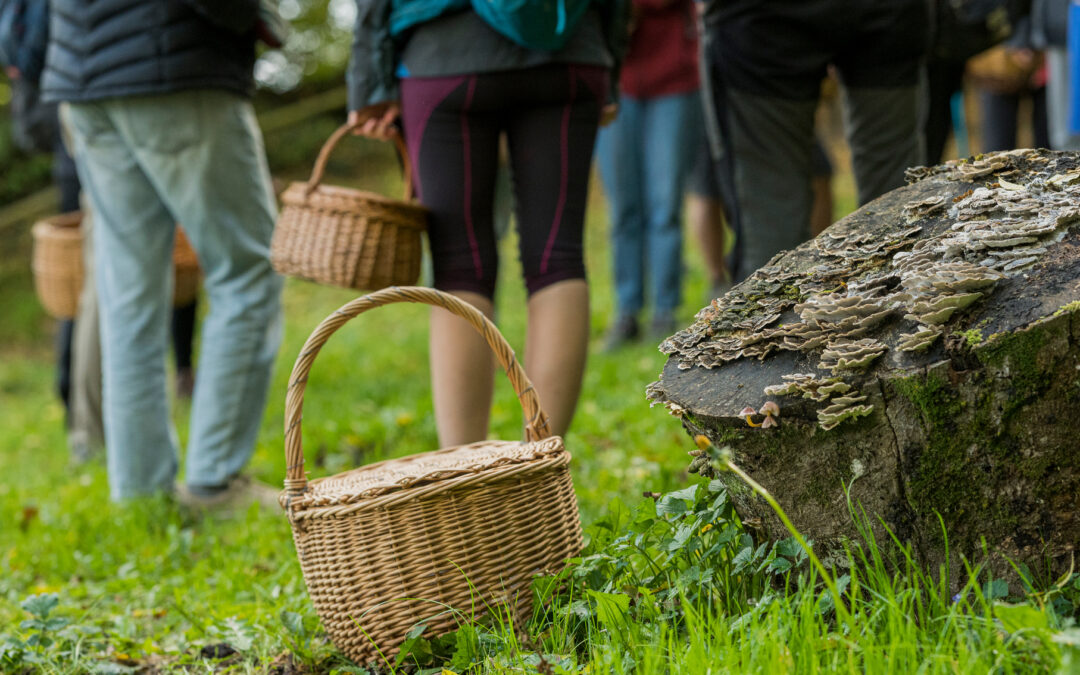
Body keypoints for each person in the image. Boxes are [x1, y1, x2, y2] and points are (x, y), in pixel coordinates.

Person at [348, 0, 628, 446]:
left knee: (458, 265)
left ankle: (465, 473)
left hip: (444, 56)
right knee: (558, 256)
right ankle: (541, 465)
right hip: (569, 50)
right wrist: (609, 58)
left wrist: (369, 79)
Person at [41, 0, 284, 506]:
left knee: (128, 290)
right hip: (174, 65)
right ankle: (215, 482)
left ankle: (140, 490)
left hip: (84, 79)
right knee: (248, 270)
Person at [701, 0, 928, 282]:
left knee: (769, 217)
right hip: (887, 13)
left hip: (761, 22)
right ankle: (901, 310)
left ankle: (775, 320)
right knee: (895, 200)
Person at [595, 0, 700, 347]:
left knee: (665, 204)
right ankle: (627, 312)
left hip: (673, 80)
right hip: (613, 82)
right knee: (623, 208)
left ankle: (665, 310)